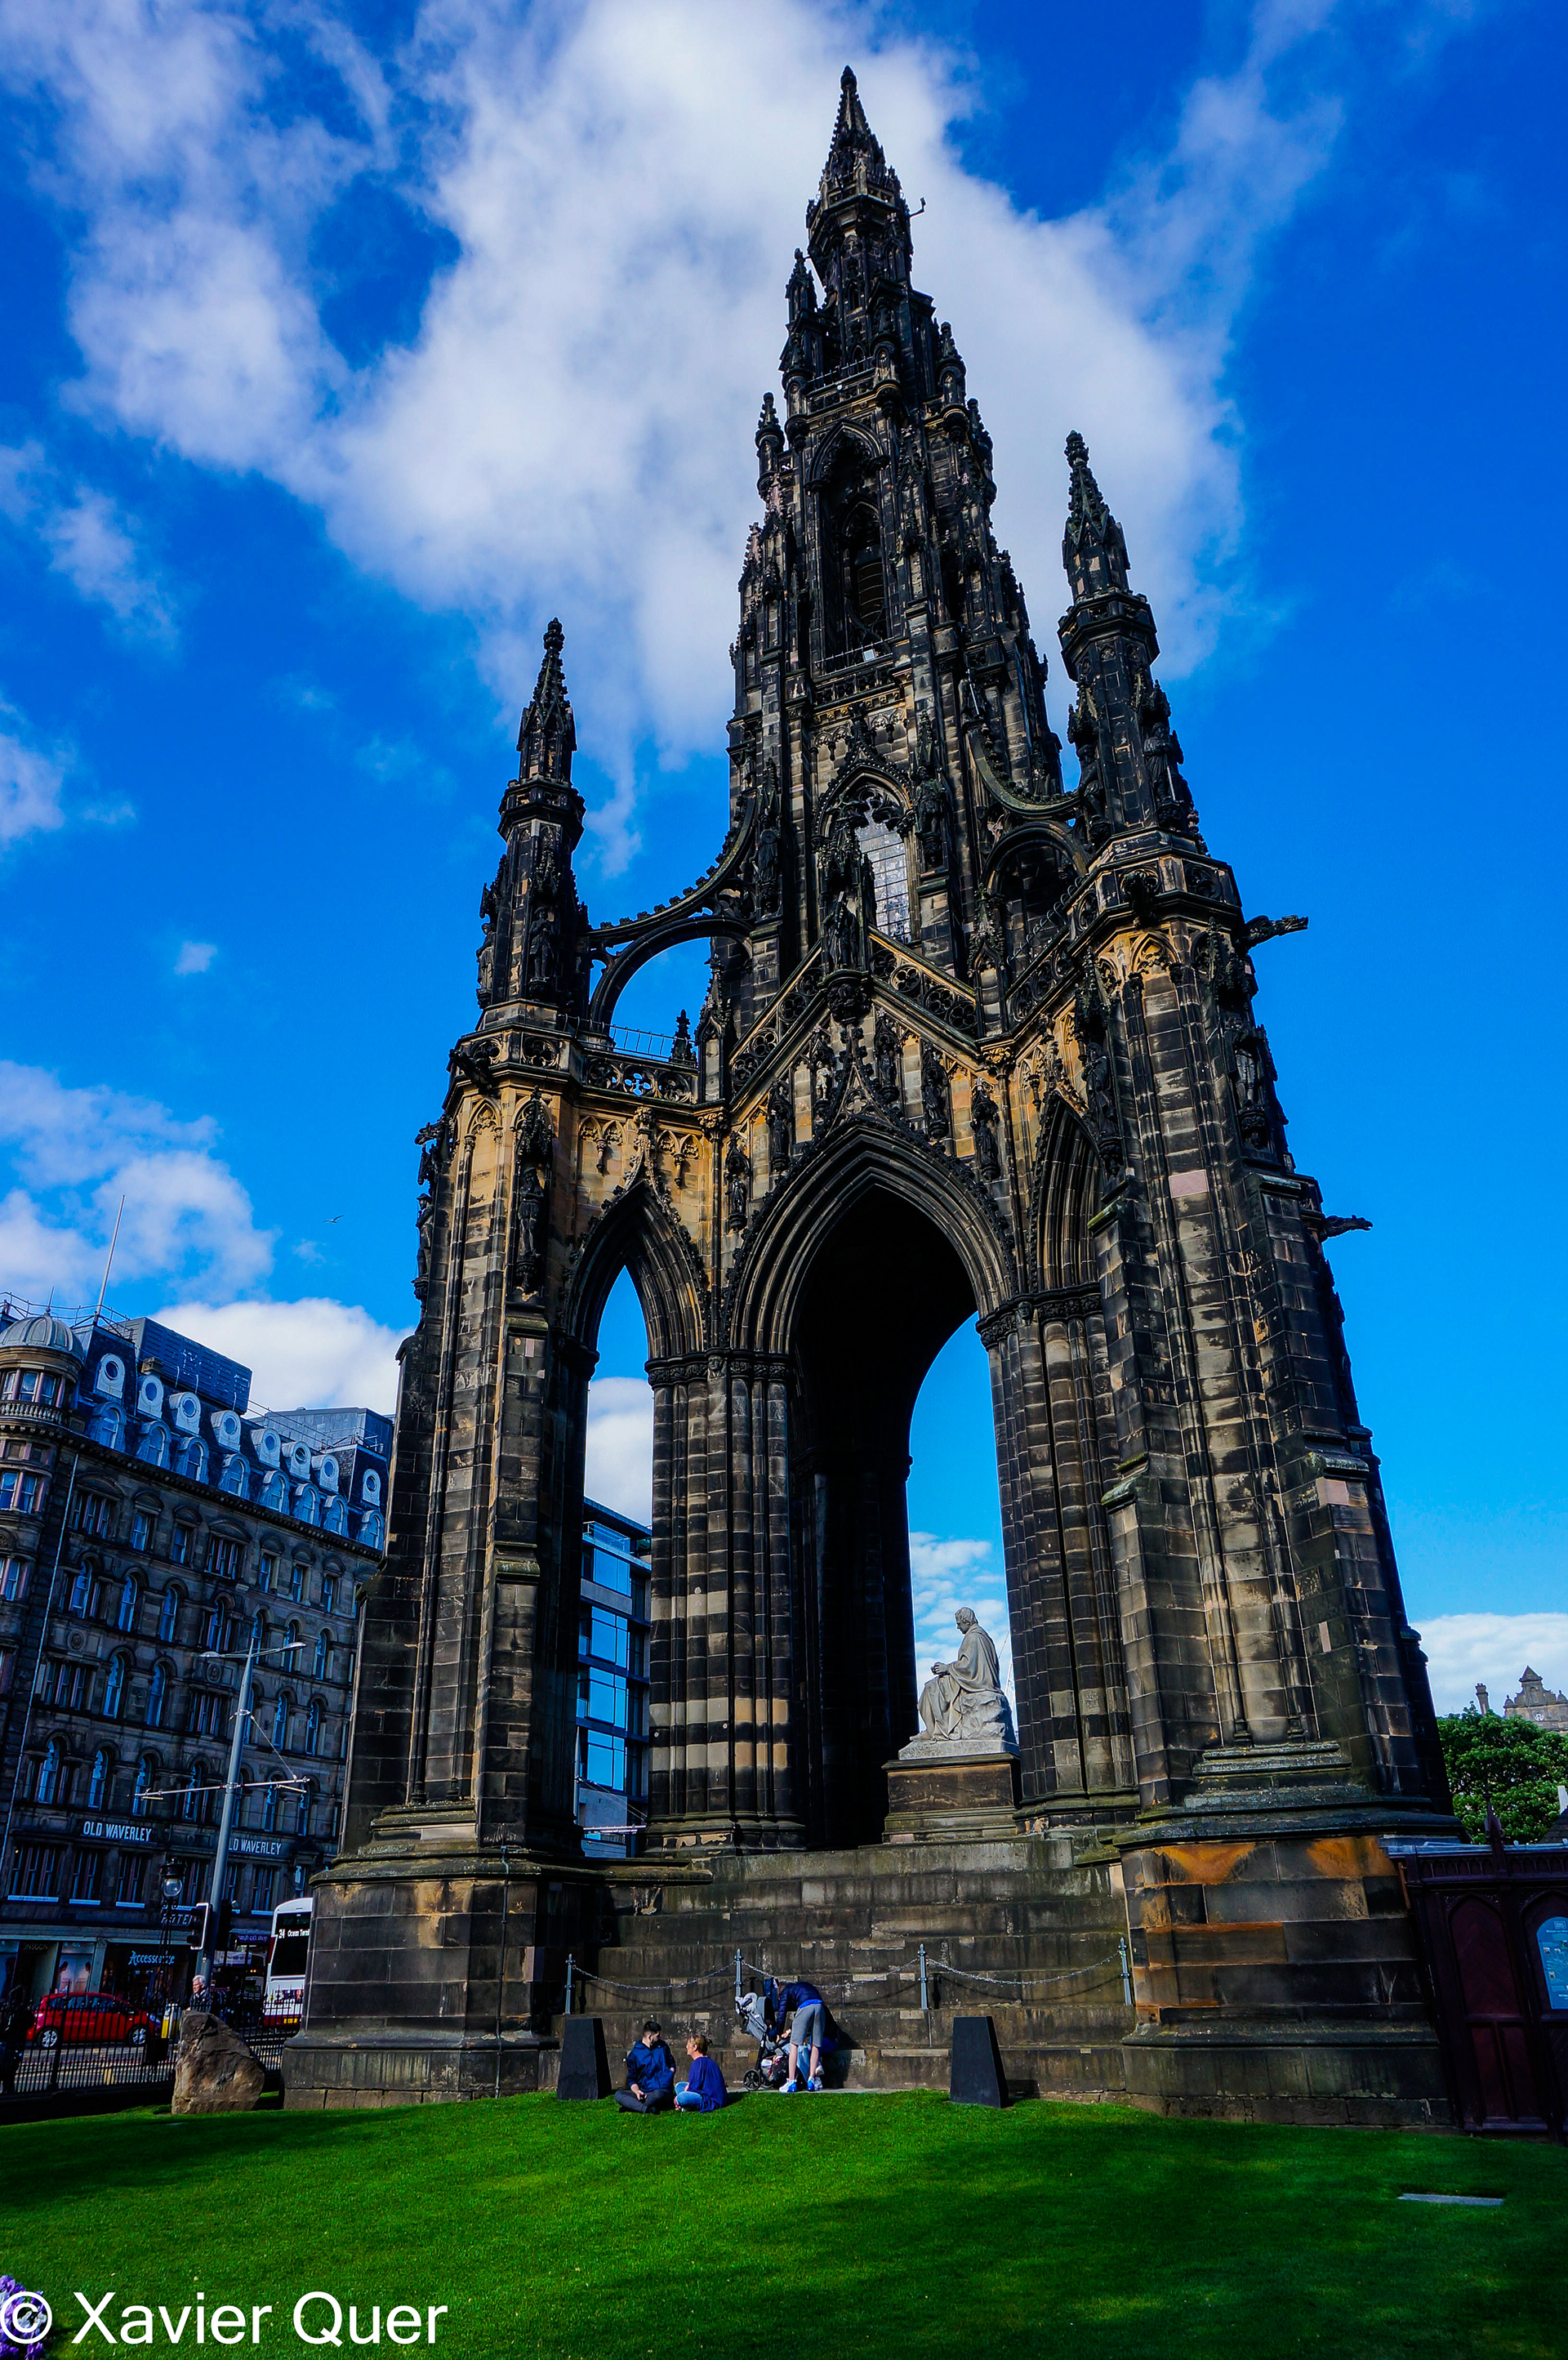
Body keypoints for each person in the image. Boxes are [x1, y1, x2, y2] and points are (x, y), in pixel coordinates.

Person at [767, 1974, 826, 2093]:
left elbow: (782, 2015)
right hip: (819, 2006)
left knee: (794, 2044)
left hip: (805, 2006)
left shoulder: (784, 1993)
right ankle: (812, 2080)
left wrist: (777, 2033)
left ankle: (791, 2081)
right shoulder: (800, 1987)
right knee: (816, 2044)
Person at [617, 2018, 675, 2113]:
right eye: (658, 2036)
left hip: (663, 2091)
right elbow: (632, 2079)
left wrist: (670, 2073)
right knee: (619, 2095)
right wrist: (637, 2092)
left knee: (658, 2095)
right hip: (646, 2093)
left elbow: (671, 2062)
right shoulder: (635, 2055)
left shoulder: (663, 2046)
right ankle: (645, 2108)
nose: (659, 2038)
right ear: (650, 2037)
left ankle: (633, 2106)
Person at [675, 2033, 726, 2113]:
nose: (686, 2047)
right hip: (714, 2095)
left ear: (695, 2047)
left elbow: (695, 2087)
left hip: (711, 2099)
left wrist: (678, 2098)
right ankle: (688, 2105)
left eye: (688, 2044)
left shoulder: (699, 2062)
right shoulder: (708, 2061)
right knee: (679, 2086)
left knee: (681, 2097)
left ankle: (688, 2105)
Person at [0, 1979, 33, 2099]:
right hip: (14, 2044)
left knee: (7, 2071)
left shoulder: (9, 2010)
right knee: (9, 2072)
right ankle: (9, 2093)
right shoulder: (18, 2011)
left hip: (9, 2044)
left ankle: (8, 2093)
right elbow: (29, 2024)